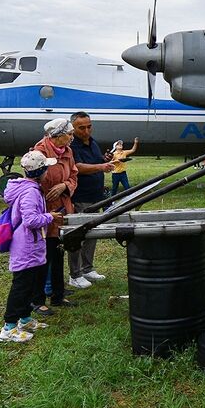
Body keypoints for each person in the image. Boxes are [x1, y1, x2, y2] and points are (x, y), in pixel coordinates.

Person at [0, 150, 64, 343]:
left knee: (30, 285)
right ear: (41, 171)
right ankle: (8, 328)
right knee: (21, 287)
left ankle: (25, 319)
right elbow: (30, 220)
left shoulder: (29, 188)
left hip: (32, 244)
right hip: (26, 245)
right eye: (46, 169)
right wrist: (51, 216)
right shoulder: (31, 192)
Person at [33, 118, 78, 310]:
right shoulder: (38, 153)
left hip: (63, 210)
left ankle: (58, 296)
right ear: (58, 136)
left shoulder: (68, 151)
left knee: (59, 253)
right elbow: (32, 180)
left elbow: (73, 176)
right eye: (69, 134)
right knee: (44, 257)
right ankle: (38, 300)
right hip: (45, 212)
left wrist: (64, 186)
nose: (72, 137)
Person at [67, 111, 115, 288]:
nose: (86, 131)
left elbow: (96, 161)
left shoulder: (93, 143)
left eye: (89, 126)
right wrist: (100, 166)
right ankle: (75, 274)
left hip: (96, 196)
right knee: (78, 235)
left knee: (92, 234)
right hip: (81, 196)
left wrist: (105, 159)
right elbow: (77, 167)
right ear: (73, 127)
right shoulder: (72, 146)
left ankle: (88, 268)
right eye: (81, 128)